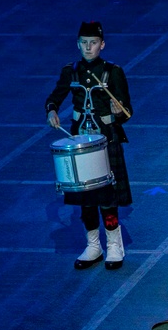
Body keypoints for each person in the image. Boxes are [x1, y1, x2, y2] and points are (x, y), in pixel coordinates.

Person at [45, 21, 133, 270]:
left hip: (106, 140)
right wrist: (51, 110)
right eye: (83, 42)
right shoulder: (70, 71)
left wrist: (119, 112)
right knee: (85, 197)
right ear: (77, 44)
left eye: (93, 42)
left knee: (107, 197)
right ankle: (93, 245)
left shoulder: (113, 72)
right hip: (80, 141)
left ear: (102, 45)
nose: (88, 47)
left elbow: (128, 111)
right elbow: (55, 97)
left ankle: (114, 245)